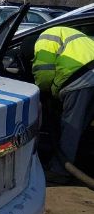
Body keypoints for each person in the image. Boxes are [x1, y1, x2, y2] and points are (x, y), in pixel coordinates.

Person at [32, 26, 94, 182]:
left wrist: (41, 91)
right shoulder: (71, 34)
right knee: (83, 126)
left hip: (80, 78)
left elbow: (44, 73)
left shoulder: (44, 38)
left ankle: (60, 171)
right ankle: (81, 162)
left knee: (71, 127)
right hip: (88, 74)